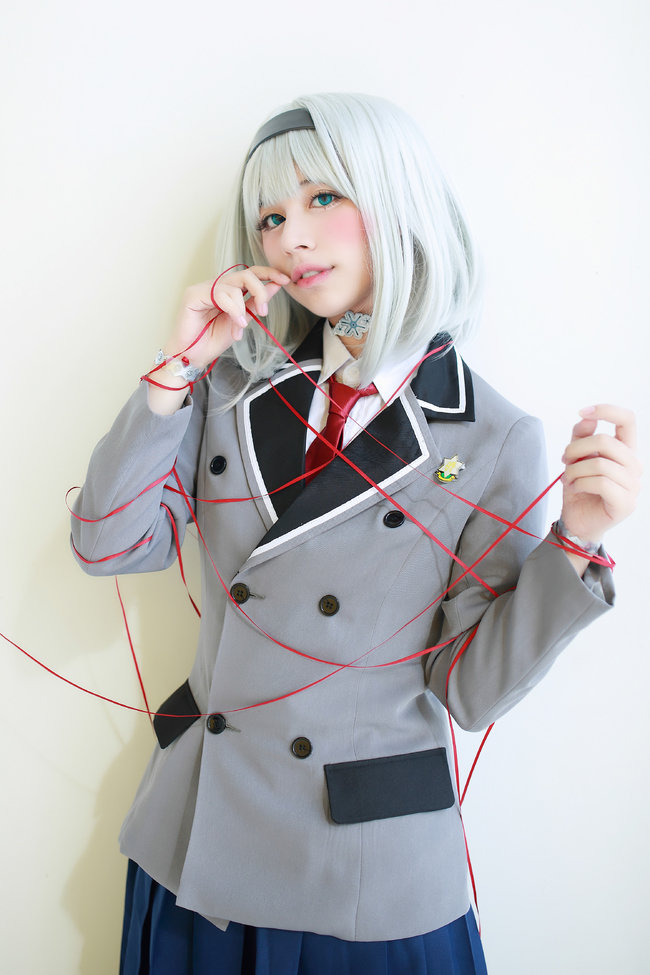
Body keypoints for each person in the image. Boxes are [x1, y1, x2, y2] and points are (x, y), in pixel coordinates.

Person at [71, 93, 640, 975]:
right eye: (270, 217)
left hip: (361, 870)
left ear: (399, 200)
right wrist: (176, 368)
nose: (291, 238)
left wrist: (575, 543)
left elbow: (469, 689)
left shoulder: (493, 435)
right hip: (197, 841)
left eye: (324, 198)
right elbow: (109, 545)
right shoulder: (229, 383)